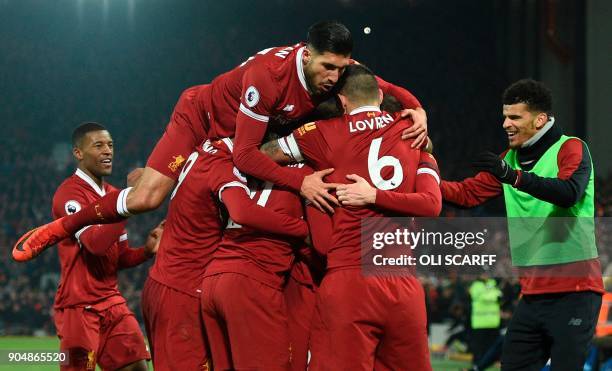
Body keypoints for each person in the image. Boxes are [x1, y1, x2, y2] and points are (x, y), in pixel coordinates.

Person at [13, 20, 427, 262]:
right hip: (203, 119)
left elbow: (386, 89)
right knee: (145, 201)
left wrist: (418, 110)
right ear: (305, 54)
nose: (333, 78)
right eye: (326, 67)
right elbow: (247, 156)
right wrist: (301, 183)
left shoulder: (340, 68)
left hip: (243, 136)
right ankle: (60, 226)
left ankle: (162, 172)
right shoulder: (268, 76)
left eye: (340, 69)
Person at [261, 64, 441, 370]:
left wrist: (303, 178)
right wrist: (417, 108)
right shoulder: (411, 131)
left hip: (350, 278)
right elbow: (431, 204)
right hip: (403, 284)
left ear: (342, 101)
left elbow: (264, 154)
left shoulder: (322, 133)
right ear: (381, 95)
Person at [440, 79, 603, 370]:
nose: (505, 123)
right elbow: (465, 194)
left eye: (515, 116)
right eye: (504, 116)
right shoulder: (509, 160)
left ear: (540, 119)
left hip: (575, 291)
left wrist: (513, 177)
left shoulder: (571, 148)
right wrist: (420, 173)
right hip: (532, 294)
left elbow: (569, 193)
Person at [141, 137, 310, 371]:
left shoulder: (206, 149)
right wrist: (302, 228)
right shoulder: (224, 163)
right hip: (187, 288)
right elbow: (241, 211)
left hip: (186, 280)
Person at [50, 122, 162, 371]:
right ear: (78, 153)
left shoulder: (113, 194)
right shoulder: (69, 195)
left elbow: (120, 258)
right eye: (98, 145)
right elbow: (94, 245)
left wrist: (145, 251)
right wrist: (128, 202)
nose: (107, 151)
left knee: (137, 368)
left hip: (112, 304)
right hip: (80, 308)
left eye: (110, 145)